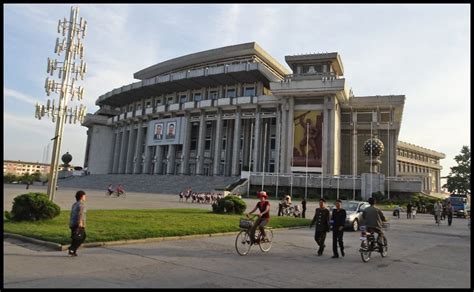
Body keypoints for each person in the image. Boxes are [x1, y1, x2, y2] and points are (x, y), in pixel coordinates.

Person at [68, 190, 87, 256]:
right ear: (81, 196)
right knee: (83, 237)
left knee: (75, 238)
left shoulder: (75, 204)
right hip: (78, 224)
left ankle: (73, 251)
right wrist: (80, 223)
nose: (85, 197)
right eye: (84, 196)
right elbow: (80, 214)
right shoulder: (81, 205)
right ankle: (72, 248)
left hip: (72, 223)